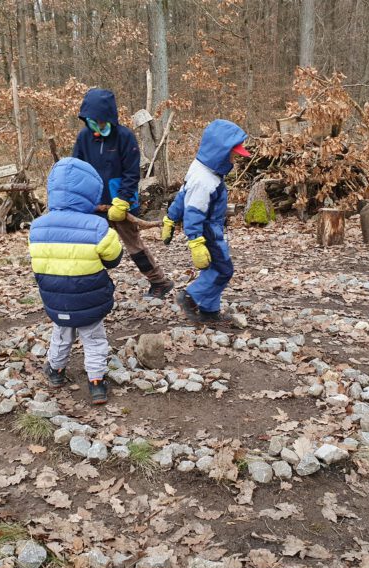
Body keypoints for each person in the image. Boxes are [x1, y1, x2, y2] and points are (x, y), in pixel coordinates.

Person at [29, 157, 123, 405]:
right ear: (91, 192)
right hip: (90, 299)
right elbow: (114, 259)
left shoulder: (36, 228)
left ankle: (56, 371)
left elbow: (37, 264)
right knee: (93, 339)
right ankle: (96, 383)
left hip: (56, 299)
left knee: (61, 334)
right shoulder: (98, 227)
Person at [72, 87, 175, 299]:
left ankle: (159, 282)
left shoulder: (125, 137)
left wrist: (123, 200)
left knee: (134, 245)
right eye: (93, 121)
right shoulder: (83, 138)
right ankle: (92, 288)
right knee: (91, 247)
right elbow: (76, 168)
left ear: (109, 117)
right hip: (94, 204)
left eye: (101, 121)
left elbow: (131, 172)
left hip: (121, 203)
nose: (98, 125)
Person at [161, 119, 250, 324]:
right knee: (224, 270)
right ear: (220, 151)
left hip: (209, 229)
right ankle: (191, 297)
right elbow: (193, 211)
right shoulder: (205, 180)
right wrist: (196, 243)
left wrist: (171, 218)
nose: (235, 158)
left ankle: (209, 311)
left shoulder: (200, 167)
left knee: (212, 269)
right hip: (207, 231)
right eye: (233, 154)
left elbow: (182, 196)